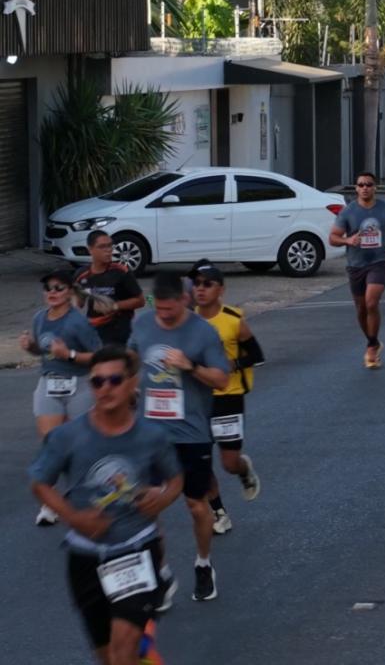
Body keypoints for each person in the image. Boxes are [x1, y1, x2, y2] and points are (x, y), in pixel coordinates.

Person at [28, 344, 184, 665]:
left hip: (136, 547)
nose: (106, 388)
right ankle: (146, 653)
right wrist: (74, 517)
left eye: (114, 380)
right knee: (107, 657)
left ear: (131, 384)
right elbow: (40, 483)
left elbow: (176, 480)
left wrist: (163, 498)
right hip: (85, 556)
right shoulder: (68, 436)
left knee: (122, 652)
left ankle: (140, 646)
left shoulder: (152, 436)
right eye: (98, 382)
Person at [129, 271, 230, 602]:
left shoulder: (203, 332)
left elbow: (221, 380)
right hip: (150, 432)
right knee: (147, 504)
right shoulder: (143, 325)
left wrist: (189, 366)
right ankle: (160, 574)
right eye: (160, 311)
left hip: (191, 433)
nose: (165, 316)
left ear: (184, 300)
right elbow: (131, 360)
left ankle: (203, 564)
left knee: (195, 504)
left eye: (170, 311)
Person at [20, 269, 102, 526]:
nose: (52, 293)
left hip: (78, 384)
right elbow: (41, 351)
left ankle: (86, 495)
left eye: (58, 288)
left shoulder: (78, 322)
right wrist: (31, 347)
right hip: (49, 383)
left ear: (69, 292)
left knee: (80, 444)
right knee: (51, 443)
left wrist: (70, 355)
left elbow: (99, 357)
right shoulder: (39, 318)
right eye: (48, 289)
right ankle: (50, 503)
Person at [188, 261, 264, 537]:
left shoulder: (233, 319)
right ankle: (219, 512)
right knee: (201, 461)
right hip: (198, 399)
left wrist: (231, 364)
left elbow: (257, 356)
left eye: (207, 284)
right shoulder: (187, 320)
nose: (200, 289)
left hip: (228, 397)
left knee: (228, 463)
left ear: (221, 289)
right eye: (196, 284)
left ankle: (244, 470)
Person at [329, 172, 385, 368]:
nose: (365, 188)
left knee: (371, 302)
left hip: (379, 261)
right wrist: (348, 240)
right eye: (361, 185)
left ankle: (372, 348)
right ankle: (373, 341)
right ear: (356, 188)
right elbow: (333, 237)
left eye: (369, 184)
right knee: (361, 308)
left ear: (375, 188)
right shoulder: (348, 212)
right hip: (356, 264)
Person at [73, 231, 145, 345]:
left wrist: (114, 306)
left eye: (110, 245)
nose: (108, 250)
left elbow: (141, 301)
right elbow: (79, 303)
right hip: (93, 330)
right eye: (102, 247)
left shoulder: (122, 272)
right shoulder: (81, 275)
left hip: (119, 332)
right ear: (90, 249)